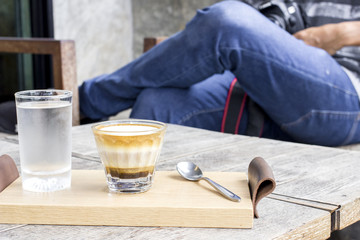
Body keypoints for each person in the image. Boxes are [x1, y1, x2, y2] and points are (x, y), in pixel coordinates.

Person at [79, 0, 360, 147]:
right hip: (270, 94)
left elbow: (234, 28)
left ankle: (87, 103)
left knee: (227, 21)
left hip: (348, 100)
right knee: (157, 103)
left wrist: (344, 32)